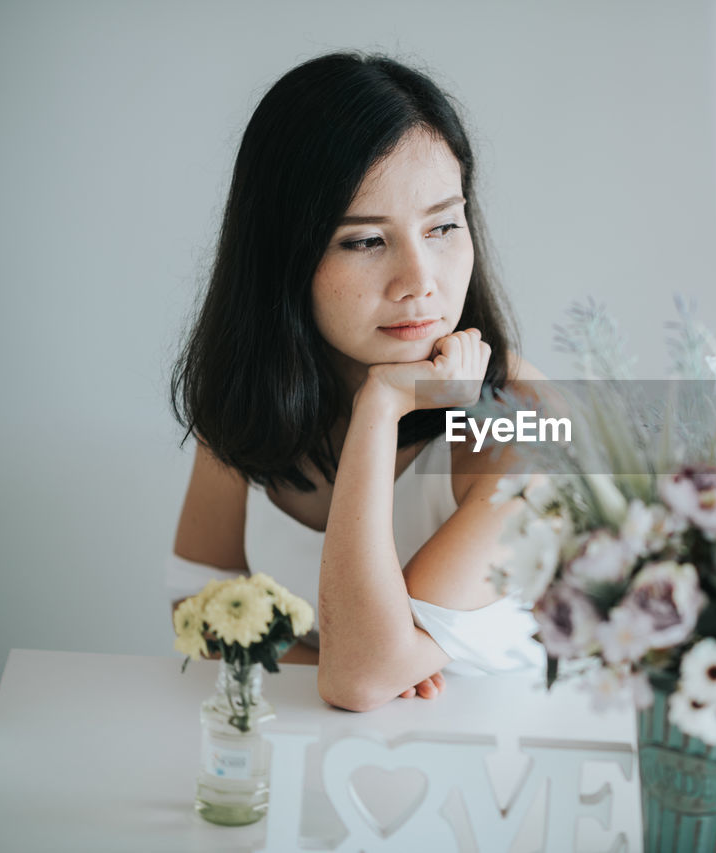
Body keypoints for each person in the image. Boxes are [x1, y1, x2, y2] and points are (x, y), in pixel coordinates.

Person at [166, 51, 547, 712]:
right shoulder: (255, 396)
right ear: (284, 258)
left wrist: (380, 405)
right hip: (309, 776)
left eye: (444, 225)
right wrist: (320, 653)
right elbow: (196, 598)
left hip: (497, 786)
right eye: (366, 240)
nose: (421, 279)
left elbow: (360, 679)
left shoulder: (531, 418)